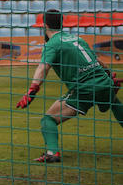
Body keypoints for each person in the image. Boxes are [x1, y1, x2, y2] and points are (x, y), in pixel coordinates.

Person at [16, 9, 123, 163]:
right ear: (61, 23)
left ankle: (52, 153)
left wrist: (32, 90)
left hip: (84, 89)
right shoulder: (77, 38)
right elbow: (97, 60)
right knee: (113, 103)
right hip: (104, 83)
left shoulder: (52, 44)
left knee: (48, 120)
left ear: (45, 26)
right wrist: (109, 75)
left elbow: (43, 67)